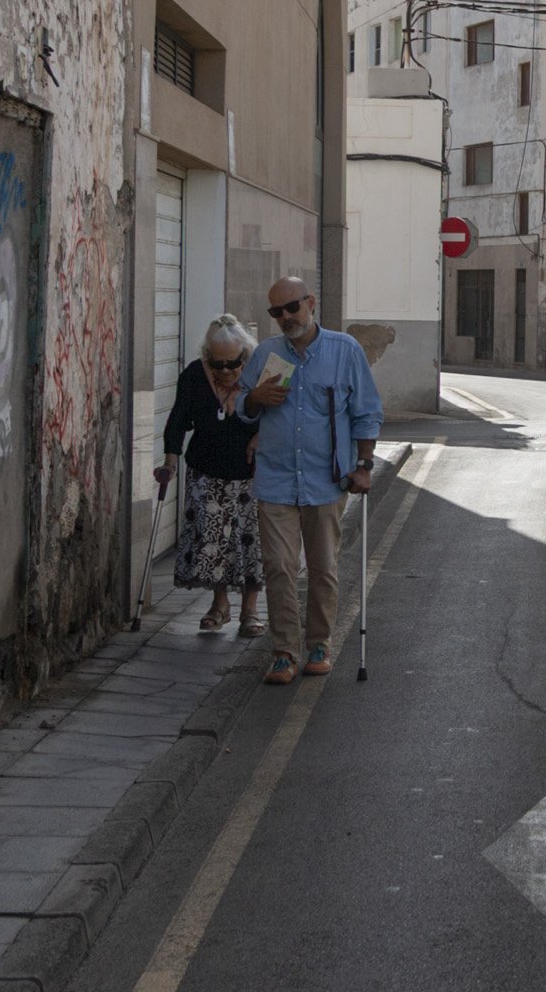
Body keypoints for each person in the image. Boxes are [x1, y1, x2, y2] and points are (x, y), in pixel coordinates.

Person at [242, 275, 383, 686]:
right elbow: (241, 407)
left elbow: (366, 411)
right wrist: (254, 399)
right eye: (277, 312)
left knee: (323, 568)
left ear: (311, 303)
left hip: (326, 480)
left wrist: (364, 465)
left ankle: (319, 644)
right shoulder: (267, 354)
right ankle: (284, 652)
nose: (286, 317)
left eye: (293, 307)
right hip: (276, 479)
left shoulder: (345, 350)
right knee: (279, 568)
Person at [156, 317, 266, 637]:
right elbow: (178, 419)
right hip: (207, 471)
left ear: (245, 354)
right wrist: (170, 460)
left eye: (233, 362)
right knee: (213, 540)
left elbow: (283, 412)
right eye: (218, 364)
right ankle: (220, 605)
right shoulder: (194, 375)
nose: (226, 370)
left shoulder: (260, 374)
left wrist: (262, 437)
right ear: (207, 356)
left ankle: (250, 610)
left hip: (251, 474)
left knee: (250, 541)